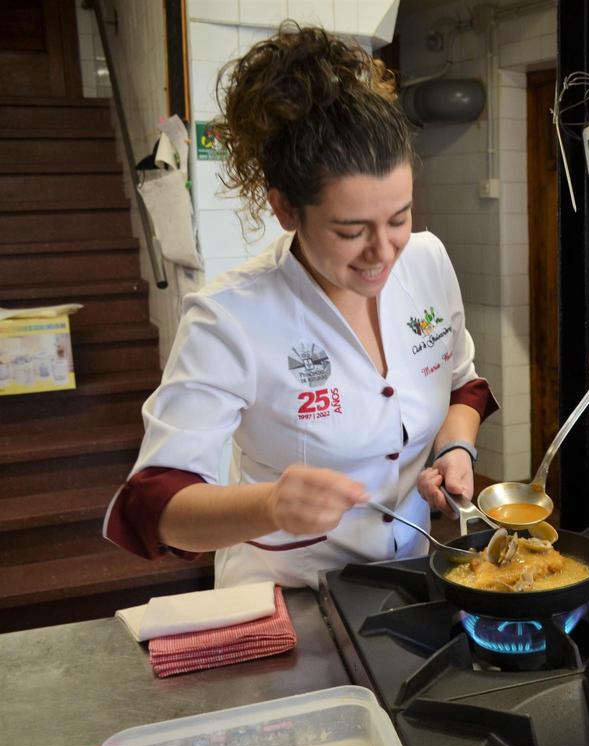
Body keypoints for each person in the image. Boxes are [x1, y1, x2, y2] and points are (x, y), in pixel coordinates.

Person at [104, 24, 497, 589]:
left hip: (415, 570)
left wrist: (456, 447)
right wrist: (270, 505)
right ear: (286, 209)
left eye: (399, 218)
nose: (382, 253)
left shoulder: (428, 262)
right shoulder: (230, 316)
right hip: (293, 594)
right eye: (351, 230)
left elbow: (463, 385)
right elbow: (153, 504)